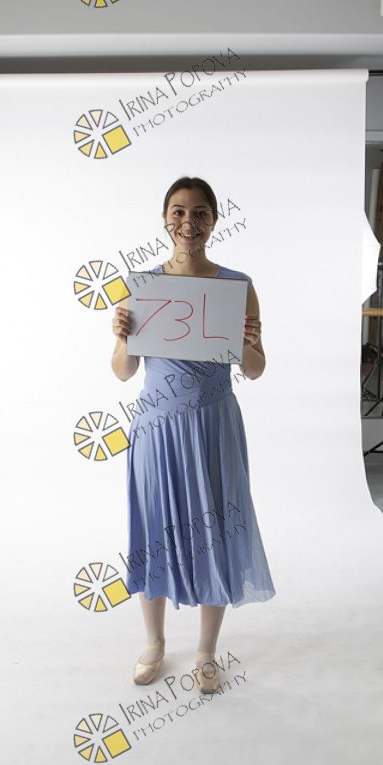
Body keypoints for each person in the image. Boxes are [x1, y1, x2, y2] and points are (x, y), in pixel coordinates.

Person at [111, 176, 275, 693]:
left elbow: (255, 370)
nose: (189, 222)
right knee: (153, 528)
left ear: (214, 220)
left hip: (212, 425)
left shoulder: (236, 286)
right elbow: (123, 371)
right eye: (179, 211)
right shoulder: (144, 287)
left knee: (214, 530)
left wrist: (246, 341)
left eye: (200, 212)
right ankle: (154, 642)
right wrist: (122, 337)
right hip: (156, 428)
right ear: (165, 219)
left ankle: (206, 651)